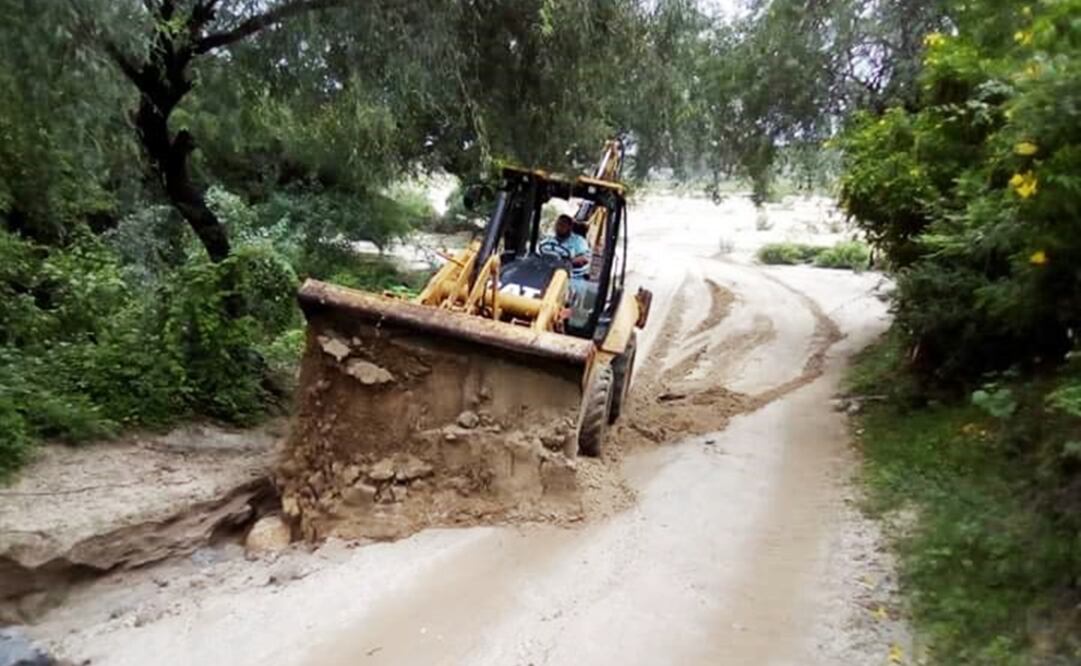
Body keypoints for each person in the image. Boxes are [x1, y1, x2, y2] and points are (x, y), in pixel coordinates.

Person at [538, 214, 591, 280]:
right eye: (558, 224)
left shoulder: (579, 241)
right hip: (547, 272)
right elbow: (538, 252)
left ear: (569, 227)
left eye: (562, 225)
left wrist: (567, 262)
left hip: (572, 276)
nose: (559, 227)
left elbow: (584, 258)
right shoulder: (548, 240)